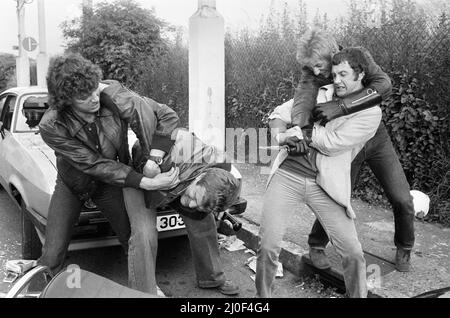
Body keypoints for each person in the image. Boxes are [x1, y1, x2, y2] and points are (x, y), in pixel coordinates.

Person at [37, 53, 181, 295]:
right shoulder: (51, 125)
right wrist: (144, 182)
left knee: (131, 239)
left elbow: (164, 115)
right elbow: (92, 164)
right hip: (73, 183)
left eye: (95, 90)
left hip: (109, 181)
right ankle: (41, 288)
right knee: (52, 252)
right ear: (66, 100)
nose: (95, 99)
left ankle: (145, 289)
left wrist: (154, 159)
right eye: (85, 96)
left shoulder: (112, 96)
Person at [285, 28, 415, 272]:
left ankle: (405, 247)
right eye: (311, 67)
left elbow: (383, 85)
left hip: (375, 136)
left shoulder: (358, 57)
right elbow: (302, 100)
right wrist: (299, 131)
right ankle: (316, 245)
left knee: (402, 197)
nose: (315, 72)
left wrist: (342, 106)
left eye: (319, 65)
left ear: (332, 54)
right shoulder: (310, 72)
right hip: (343, 140)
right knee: (336, 195)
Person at [256, 48, 382, 298]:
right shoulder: (323, 92)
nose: (337, 80)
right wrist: (283, 136)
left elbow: (333, 143)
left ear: (361, 74)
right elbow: (278, 114)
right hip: (288, 176)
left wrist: (302, 131)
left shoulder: (371, 113)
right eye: (334, 74)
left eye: (343, 74)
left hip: (325, 184)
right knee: (268, 245)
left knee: (353, 253)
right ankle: (262, 299)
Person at [122, 127, 243, 296]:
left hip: (182, 182)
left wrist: (218, 207)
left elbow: (230, 188)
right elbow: (167, 129)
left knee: (203, 220)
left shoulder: (220, 164)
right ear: (200, 177)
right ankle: (144, 291)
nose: (191, 206)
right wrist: (152, 180)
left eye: (196, 202)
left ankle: (212, 278)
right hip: (142, 176)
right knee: (144, 232)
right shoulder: (167, 156)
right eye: (194, 198)